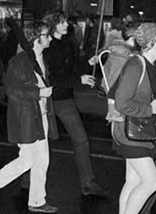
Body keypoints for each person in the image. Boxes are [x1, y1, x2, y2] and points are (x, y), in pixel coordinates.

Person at [0, 21, 59, 214]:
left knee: (42, 161)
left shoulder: (41, 59)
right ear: (35, 38)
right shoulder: (19, 61)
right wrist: (38, 92)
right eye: (46, 35)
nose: (50, 38)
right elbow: (11, 90)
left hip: (41, 116)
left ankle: (37, 200)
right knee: (27, 160)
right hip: (26, 118)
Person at [42, 11, 107, 196]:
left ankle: (87, 182)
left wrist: (88, 62)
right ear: (53, 25)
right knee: (38, 144)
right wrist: (79, 79)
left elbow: (73, 68)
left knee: (81, 139)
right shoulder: (47, 46)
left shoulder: (68, 43)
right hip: (47, 99)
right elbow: (52, 78)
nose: (66, 25)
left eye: (66, 22)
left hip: (64, 99)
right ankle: (25, 181)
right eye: (62, 22)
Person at [112, 23, 156, 214]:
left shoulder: (151, 66)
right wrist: (149, 110)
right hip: (130, 134)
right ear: (151, 40)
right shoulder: (137, 65)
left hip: (141, 133)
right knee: (151, 182)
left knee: (133, 181)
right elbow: (122, 103)